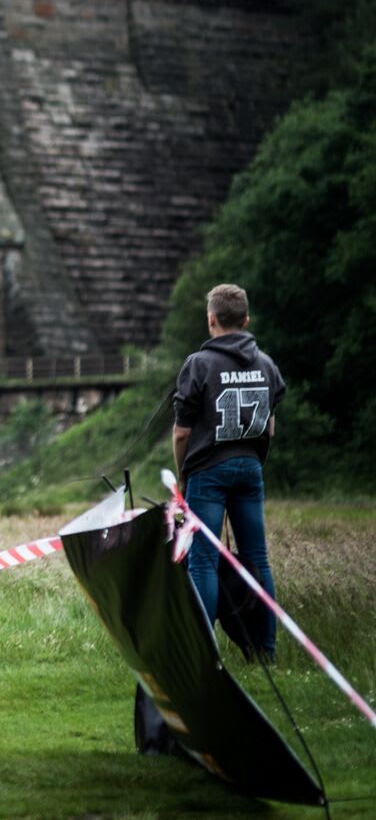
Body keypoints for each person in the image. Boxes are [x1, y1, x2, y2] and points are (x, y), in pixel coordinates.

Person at [173, 283, 283, 660]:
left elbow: (182, 431)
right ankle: (266, 649)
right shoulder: (266, 364)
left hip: (208, 472)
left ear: (211, 320)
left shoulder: (199, 364)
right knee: (258, 557)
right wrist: (255, 462)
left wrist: (184, 475)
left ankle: (204, 654)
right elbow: (269, 426)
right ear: (247, 320)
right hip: (251, 468)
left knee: (202, 560)